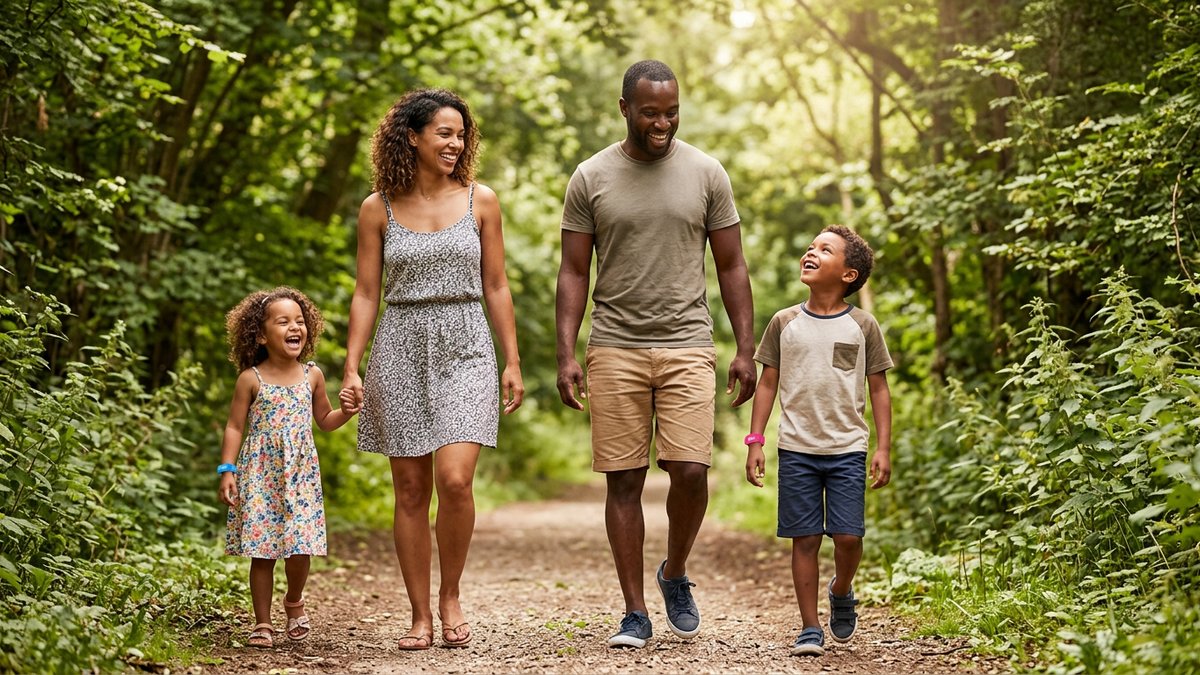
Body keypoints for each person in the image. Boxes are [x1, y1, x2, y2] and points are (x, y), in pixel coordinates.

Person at [555, 59, 757, 649]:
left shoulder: (706, 173)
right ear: (625, 109)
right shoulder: (591, 176)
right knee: (624, 480)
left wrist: (745, 348)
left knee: (691, 471)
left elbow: (732, 265)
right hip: (615, 342)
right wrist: (566, 352)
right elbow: (572, 271)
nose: (662, 122)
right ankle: (634, 611)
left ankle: (674, 570)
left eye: (671, 111)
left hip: (688, 341)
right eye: (650, 112)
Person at [342, 88, 524, 651]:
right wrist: (351, 366)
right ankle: (420, 614)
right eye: (444, 132)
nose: (456, 142)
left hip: (466, 340)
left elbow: (496, 284)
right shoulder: (379, 207)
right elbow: (367, 292)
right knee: (410, 487)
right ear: (413, 136)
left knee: (455, 479)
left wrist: (512, 360)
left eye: (461, 134)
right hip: (399, 342)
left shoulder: (481, 201)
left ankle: (451, 594)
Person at [744, 225, 893, 657]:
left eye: (825, 250)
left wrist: (883, 447)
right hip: (796, 449)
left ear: (848, 274)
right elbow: (768, 383)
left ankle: (841, 589)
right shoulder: (784, 322)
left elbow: (879, 388)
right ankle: (810, 626)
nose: (811, 252)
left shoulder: (862, 325)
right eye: (810, 247)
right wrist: (756, 440)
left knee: (848, 537)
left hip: (848, 448)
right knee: (804, 538)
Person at [218, 286, 357, 649]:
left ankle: (294, 599)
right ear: (261, 335)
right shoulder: (251, 379)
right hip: (260, 475)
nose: (294, 326)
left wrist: (348, 411)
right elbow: (234, 426)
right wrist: (227, 470)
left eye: (299, 320)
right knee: (262, 553)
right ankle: (262, 623)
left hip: (301, 476)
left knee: (300, 547)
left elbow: (324, 420)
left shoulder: (312, 376)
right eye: (283, 321)